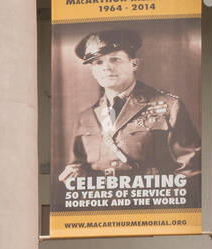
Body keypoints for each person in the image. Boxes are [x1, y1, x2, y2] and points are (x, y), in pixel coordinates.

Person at [58, 28, 201, 188]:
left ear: (134, 64)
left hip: (151, 203)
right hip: (101, 204)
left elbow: (190, 169)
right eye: (98, 62)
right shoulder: (86, 117)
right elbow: (79, 163)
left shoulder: (169, 106)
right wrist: (75, 171)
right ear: (93, 71)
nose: (107, 68)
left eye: (115, 59)